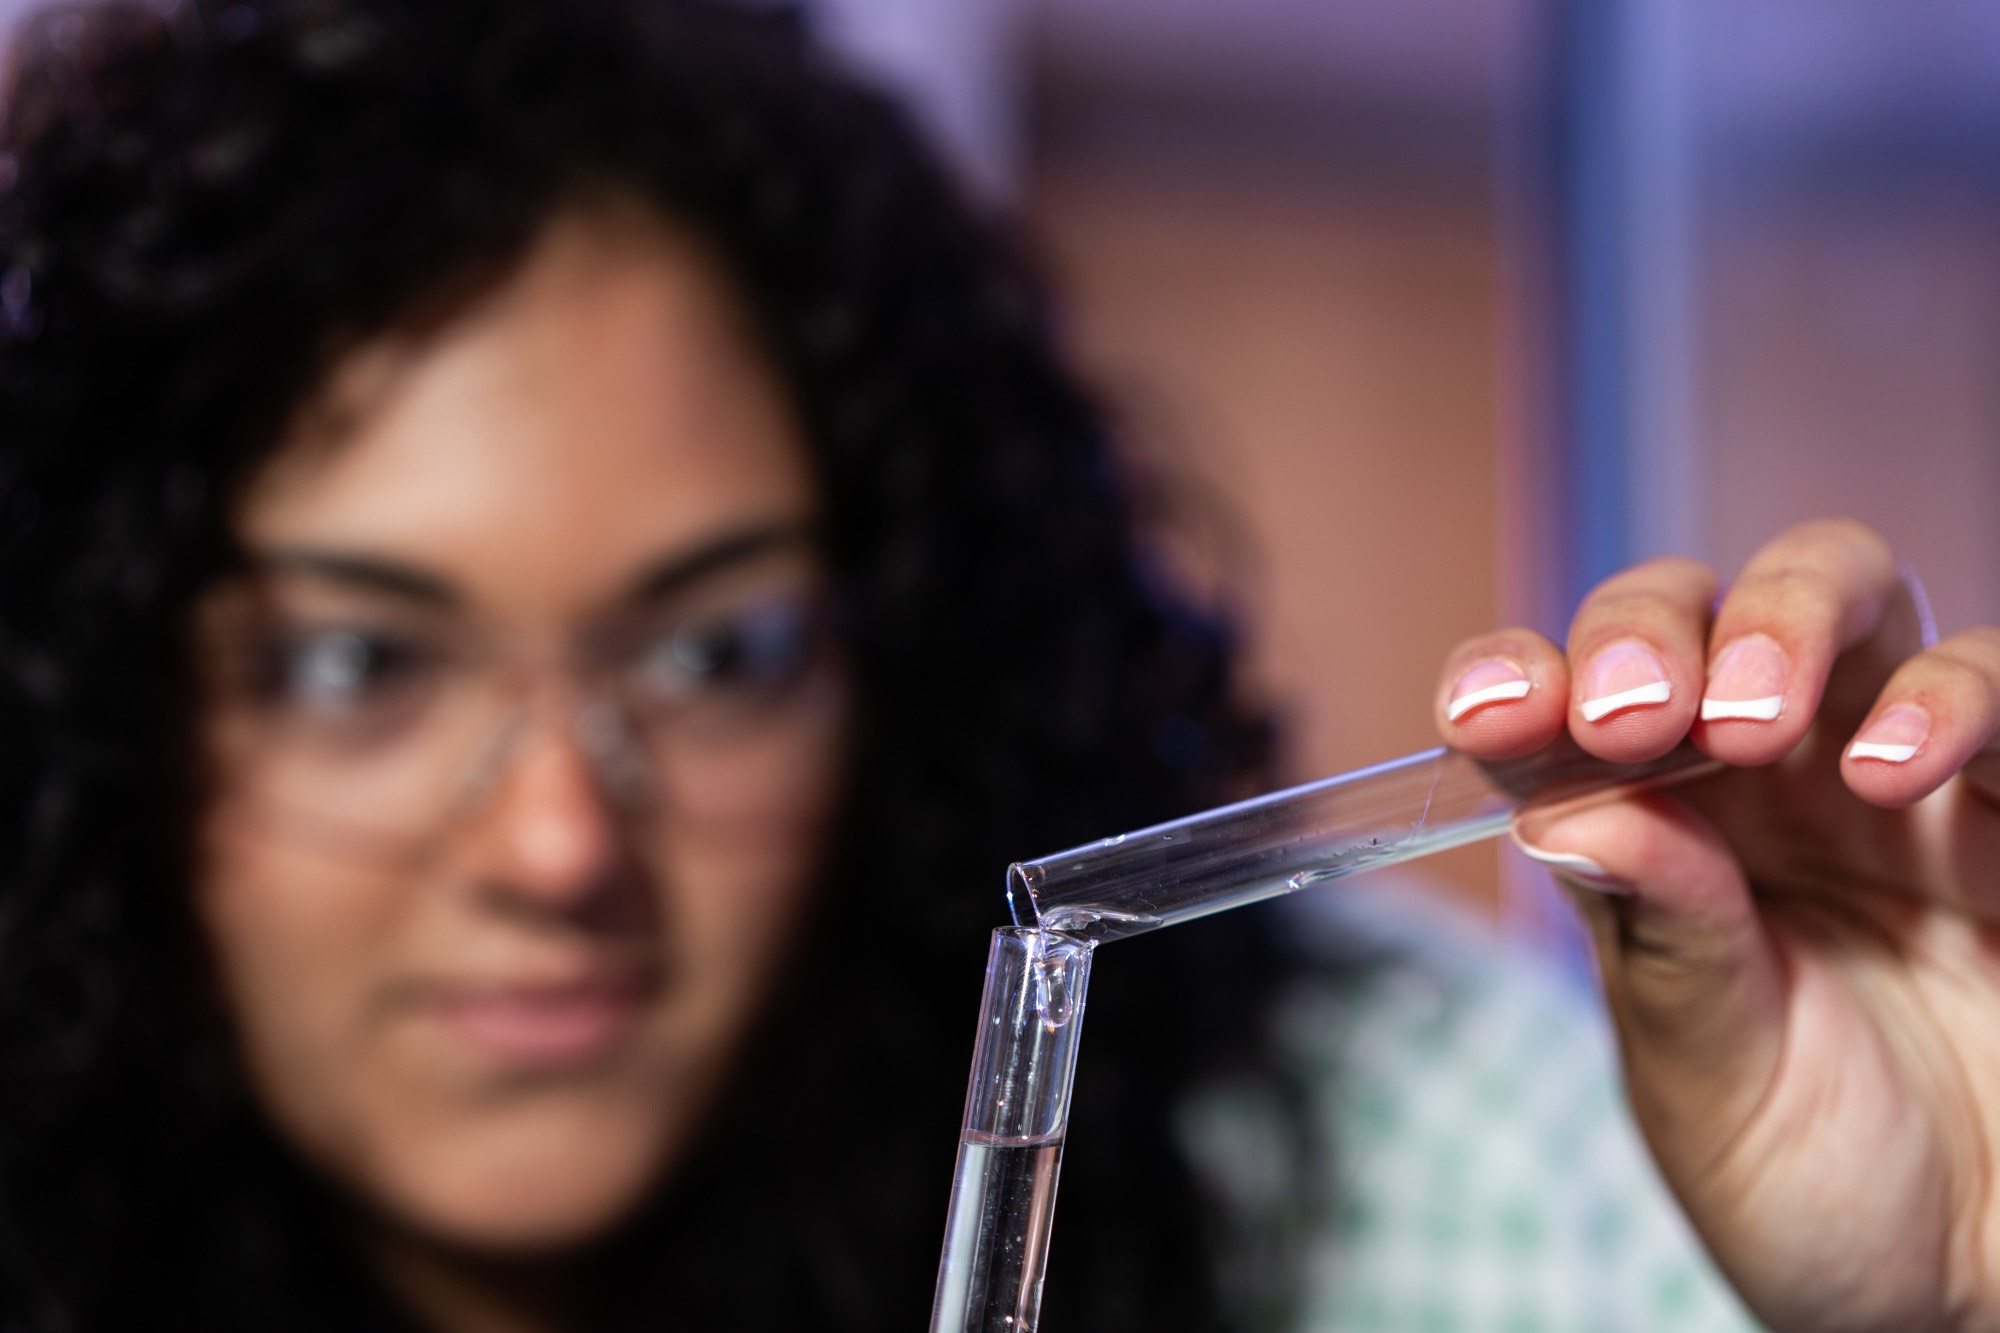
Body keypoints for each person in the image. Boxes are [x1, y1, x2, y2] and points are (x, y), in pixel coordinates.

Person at [0, 2, 1992, 1332]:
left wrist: (1959, 1275)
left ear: (909, 657)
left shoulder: (1396, 1167)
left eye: (715, 648)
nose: (551, 842)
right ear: (90, 703)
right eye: (362, 663)